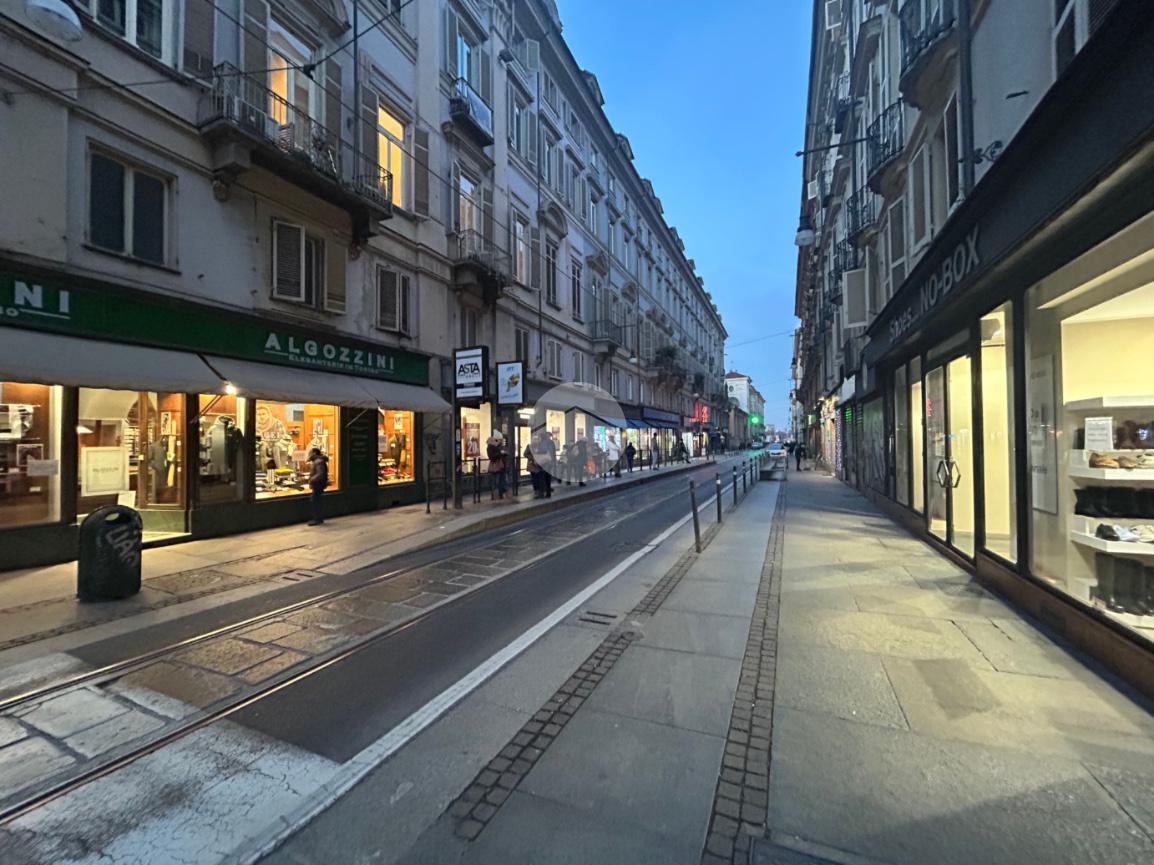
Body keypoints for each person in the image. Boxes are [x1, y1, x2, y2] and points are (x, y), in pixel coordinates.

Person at [306, 447, 329, 526]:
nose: (309, 454)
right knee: (316, 500)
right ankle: (318, 518)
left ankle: (317, 519)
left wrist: (311, 479)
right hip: (318, 484)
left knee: (315, 501)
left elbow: (320, 473)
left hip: (318, 484)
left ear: (314, 453)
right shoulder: (318, 461)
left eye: (310, 453)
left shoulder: (319, 462)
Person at [486, 433, 508, 499]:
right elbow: (492, 456)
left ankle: (498, 495)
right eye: (495, 440)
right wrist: (500, 453)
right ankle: (496, 496)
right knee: (496, 482)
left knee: (499, 481)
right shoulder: (491, 447)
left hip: (498, 466)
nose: (496, 441)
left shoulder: (494, 447)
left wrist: (502, 453)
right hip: (495, 466)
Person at [539, 430, 557, 497]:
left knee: (542, 477)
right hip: (548, 462)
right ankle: (547, 492)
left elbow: (542, 451)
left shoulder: (542, 442)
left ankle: (543, 492)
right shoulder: (550, 442)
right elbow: (553, 453)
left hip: (544, 461)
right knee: (547, 477)